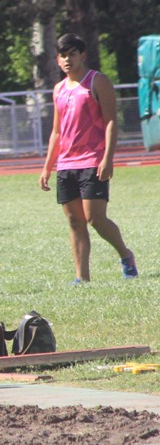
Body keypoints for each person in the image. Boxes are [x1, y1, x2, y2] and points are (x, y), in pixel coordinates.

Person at [39, 33, 137, 283]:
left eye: (72, 53)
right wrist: (48, 166)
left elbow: (111, 120)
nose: (68, 59)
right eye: (63, 55)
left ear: (82, 55)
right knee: (74, 220)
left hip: (92, 160)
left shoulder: (97, 80)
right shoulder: (59, 89)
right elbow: (57, 131)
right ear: (58, 60)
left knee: (95, 218)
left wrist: (108, 158)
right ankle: (82, 278)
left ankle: (126, 255)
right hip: (66, 164)